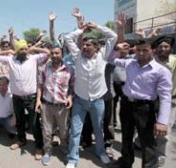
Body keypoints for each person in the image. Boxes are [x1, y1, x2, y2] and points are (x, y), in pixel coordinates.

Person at [64, 7, 117, 168]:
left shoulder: (103, 55)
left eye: (88, 45)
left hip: (98, 100)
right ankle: (72, 159)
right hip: (80, 100)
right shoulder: (77, 56)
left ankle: (100, 152)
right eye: (84, 44)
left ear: (97, 47)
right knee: (75, 131)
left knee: (98, 129)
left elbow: (113, 36)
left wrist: (97, 27)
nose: (85, 47)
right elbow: (68, 38)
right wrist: (81, 29)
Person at [107, 39, 172, 168]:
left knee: (146, 142)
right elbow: (110, 59)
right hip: (126, 105)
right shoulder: (130, 63)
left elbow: (165, 96)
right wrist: (116, 49)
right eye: (138, 50)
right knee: (126, 136)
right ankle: (125, 162)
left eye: (145, 50)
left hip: (145, 108)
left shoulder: (161, 71)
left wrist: (162, 121)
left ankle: (148, 166)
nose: (141, 53)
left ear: (152, 50)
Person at [0, 39, 50, 160]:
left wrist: (33, 48)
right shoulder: (10, 59)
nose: (24, 51)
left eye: (25, 49)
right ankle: (21, 140)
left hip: (32, 98)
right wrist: (8, 51)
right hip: (17, 98)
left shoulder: (33, 58)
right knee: (19, 121)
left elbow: (48, 52)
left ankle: (39, 146)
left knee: (34, 123)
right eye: (21, 49)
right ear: (17, 50)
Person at [35, 45, 74, 166]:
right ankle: (47, 152)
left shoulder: (69, 69)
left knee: (63, 131)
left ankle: (64, 148)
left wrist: (70, 97)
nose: (54, 55)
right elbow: (40, 85)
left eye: (57, 53)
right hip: (47, 105)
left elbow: (72, 86)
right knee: (46, 132)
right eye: (52, 53)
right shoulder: (44, 68)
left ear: (62, 54)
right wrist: (38, 100)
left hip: (62, 106)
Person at [152, 35, 176, 167]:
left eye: (166, 46)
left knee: (164, 131)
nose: (163, 49)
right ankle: (139, 143)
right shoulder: (151, 61)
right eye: (160, 46)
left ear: (170, 48)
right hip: (152, 100)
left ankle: (160, 155)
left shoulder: (174, 61)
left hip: (170, 101)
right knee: (147, 126)